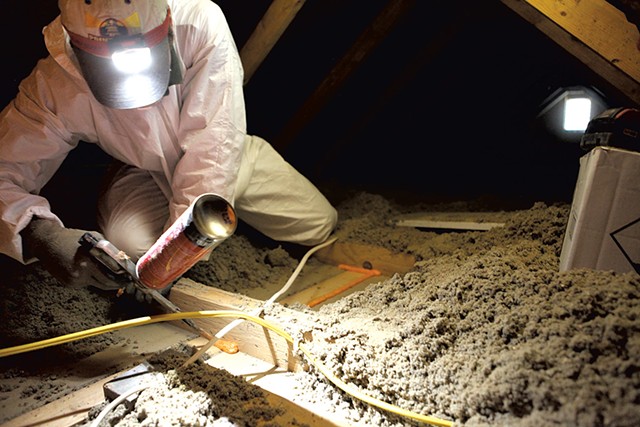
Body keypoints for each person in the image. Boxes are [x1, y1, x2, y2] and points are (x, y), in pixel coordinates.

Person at [0, 0, 337, 292]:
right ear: (77, 49)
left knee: (319, 224)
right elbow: (4, 169)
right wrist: (38, 233)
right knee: (130, 250)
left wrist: (174, 261)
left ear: (166, 25)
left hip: (225, 154)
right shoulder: (55, 82)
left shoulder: (200, 22)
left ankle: (244, 194)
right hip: (141, 169)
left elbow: (213, 154)